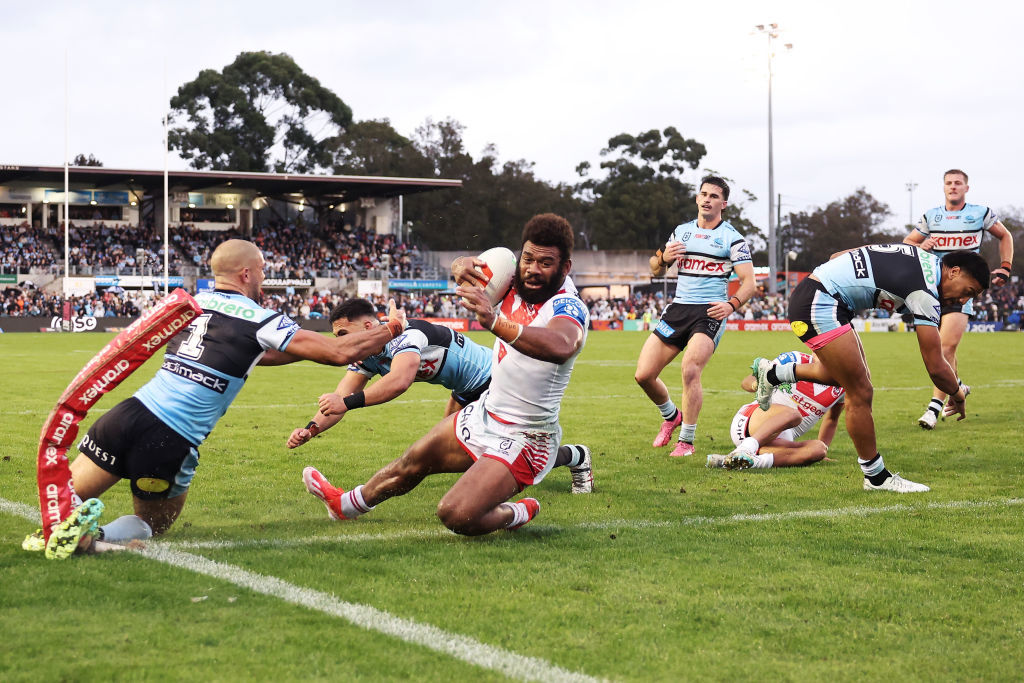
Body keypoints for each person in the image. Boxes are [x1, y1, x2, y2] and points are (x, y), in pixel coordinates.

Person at [37, 239, 409, 559]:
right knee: (153, 525)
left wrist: (314, 348)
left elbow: (258, 353)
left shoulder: (191, 303)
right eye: (261, 270)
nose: (263, 278)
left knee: (60, 507)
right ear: (247, 274)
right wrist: (391, 329)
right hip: (169, 438)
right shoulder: (258, 316)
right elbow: (338, 353)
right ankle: (97, 541)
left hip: (126, 415)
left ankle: (67, 536)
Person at [301, 213, 590, 535]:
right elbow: (467, 272)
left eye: (545, 263)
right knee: (412, 461)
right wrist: (460, 265)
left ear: (565, 267)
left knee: (455, 514)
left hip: (526, 436)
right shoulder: (512, 282)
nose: (533, 270)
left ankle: (518, 512)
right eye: (528, 258)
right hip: (485, 412)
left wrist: (495, 322)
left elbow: (562, 344)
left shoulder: (568, 305)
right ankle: (345, 506)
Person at [286, 297, 595, 493]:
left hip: (495, 381)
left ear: (368, 326)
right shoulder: (366, 354)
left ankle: (572, 457)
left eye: (342, 334)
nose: (339, 342)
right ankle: (573, 456)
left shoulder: (408, 336)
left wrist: (347, 403)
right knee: (457, 447)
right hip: (464, 389)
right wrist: (311, 428)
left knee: (476, 452)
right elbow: (341, 396)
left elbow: (398, 382)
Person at [753, 245, 990, 492]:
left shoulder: (920, 256)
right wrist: (957, 393)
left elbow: (836, 255)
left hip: (820, 296)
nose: (964, 300)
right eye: (968, 291)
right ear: (954, 271)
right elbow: (935, 366)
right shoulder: (925, 293)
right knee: (861, 391)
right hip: (821, 302)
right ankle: (875, 477)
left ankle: (773, 374)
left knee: (844, 378)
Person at [634, 175, 756, 457]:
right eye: (703, 194)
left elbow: (749, 282)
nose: (707, 199)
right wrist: (663, 260)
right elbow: (654, 268)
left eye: (713, 196)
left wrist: (732, 304)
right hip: (678, 309)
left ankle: (686, 441)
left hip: (710, 311)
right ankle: (671, 416)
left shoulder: (733, 239)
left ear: (723, 204)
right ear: (697, 198)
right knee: (643, 375)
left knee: (690, 369)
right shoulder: (681, 231)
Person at [903, 169, 1014, 429]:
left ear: (966, 188)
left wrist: (1005, 267)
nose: (953, 187)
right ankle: (958, 386)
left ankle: (933, 409)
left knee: (944, 348)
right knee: (944, 351)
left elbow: (1005, 235)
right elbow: (908, 242)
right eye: (949, 183)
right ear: (943, 188)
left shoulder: (980, 213)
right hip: (933, 289)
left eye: (958, 183)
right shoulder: (932, 216)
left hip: (962, 291)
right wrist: (921, 246)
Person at [705, 351, 844, 470]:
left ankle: (742, 461)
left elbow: (832, 419)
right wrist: (759, 386)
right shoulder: (795, 359)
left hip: (777, 441)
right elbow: (747, 381)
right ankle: (746, 448)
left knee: (819, 450)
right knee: (794, 414)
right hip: (752, 420)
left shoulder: (843, 385)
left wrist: (822, 451)